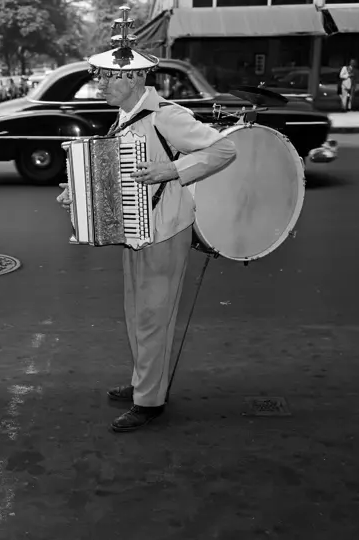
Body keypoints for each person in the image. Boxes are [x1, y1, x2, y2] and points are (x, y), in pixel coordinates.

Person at [57, 7, 237, 433]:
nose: (99, 84)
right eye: (99, 76)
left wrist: (171, 170)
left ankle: (149, 400)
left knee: (154, 315)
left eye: (107, 77)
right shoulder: (124, 115)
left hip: (164, 232)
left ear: (134, 79)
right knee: (137, 313)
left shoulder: (167, 116)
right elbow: (113, 170)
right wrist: (78, 196)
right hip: (136, 231)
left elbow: (223, 150)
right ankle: (144, 381)